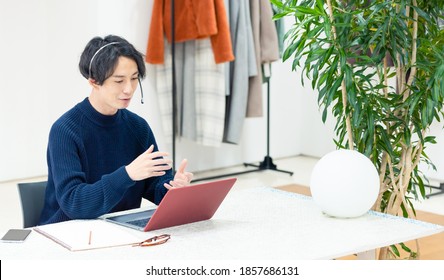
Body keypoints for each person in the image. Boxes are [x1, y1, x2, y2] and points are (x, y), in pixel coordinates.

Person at [39, 35, 193, 225]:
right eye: (119, 81)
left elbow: (155, 188)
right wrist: (127, 175)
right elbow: (74, 203)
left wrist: (173, 189)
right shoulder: (65, 130)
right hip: (68, 230)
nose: (129, 89)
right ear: (94, 81)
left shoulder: (138, 127)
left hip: (120, 229)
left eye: (134, 79)